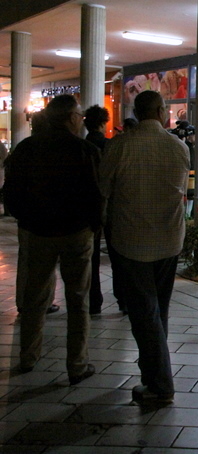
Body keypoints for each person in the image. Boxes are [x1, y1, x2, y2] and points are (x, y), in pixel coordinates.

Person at [100, 90, 190, 403]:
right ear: (162, 111)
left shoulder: (120, 145)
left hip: (131, 240)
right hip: (169, 239)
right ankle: (153, 375)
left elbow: (103, 189)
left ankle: (160, 384)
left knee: (144, 313)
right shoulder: (178, 147)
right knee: (158, 309)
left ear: (137, 113)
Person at [5, 94, 102, 384]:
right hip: (76, 233)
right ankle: (77, 364)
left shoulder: (27, 148)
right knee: (78, 298)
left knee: (35, 296)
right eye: (79, 115)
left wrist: (26, 219)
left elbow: (11, 192)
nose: (81, 120)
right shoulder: (84, 150)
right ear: (71, 118)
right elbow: (96, 194)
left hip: (38, 232)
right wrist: (93, 225)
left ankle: (28, 356)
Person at [84, 105, 110, 315]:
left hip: (87, 208)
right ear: (103, 123)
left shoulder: (81, 146)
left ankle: (93, 301)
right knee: (117, 256)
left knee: (90, 259)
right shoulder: (109, 145)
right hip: (109, 205)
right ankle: (123, 300)